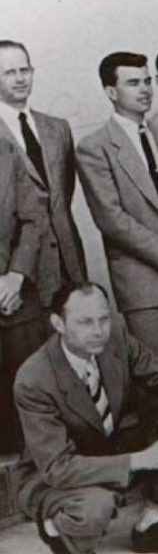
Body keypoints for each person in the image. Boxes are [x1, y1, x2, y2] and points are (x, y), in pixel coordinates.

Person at [14, 281, 158, 554]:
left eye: (103, 319)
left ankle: (151, 524)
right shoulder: (34, 378)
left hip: (107, 446)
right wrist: (143, 459)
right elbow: (57, 467)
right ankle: (54, 528)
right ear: (58, 323)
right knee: (96, 509)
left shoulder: (115, 336)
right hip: (54, 473)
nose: (98, 331)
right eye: (85, 322)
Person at [76, 52, 158, 359]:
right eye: (133, 83)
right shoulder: (94, 148)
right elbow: (113, 221)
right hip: (142, 286)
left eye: (147, 81)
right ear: (111, 92)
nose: (145, 89)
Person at [0, 39, 86, 308]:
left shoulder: (58, 128)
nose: (19, 79)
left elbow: (62, 194)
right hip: (19, 271)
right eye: (8, 72)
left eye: (24, 70)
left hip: (68, 259)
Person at [0, 137, 45, 452]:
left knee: (34, 404)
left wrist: (16, 276)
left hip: (17, 300)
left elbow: (33, 219)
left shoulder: (4, 149)